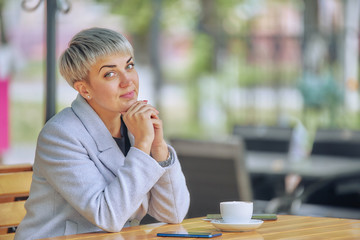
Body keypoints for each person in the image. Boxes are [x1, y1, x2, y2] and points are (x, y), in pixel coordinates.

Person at [14, 27, 190, 240]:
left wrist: (158, 148)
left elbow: (173, 214)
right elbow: (109, 217)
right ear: (84, 89)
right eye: (110, 73)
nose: (128, 81)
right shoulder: (60, 135)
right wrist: (142, 145)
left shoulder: (136, 126)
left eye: (129, 66)